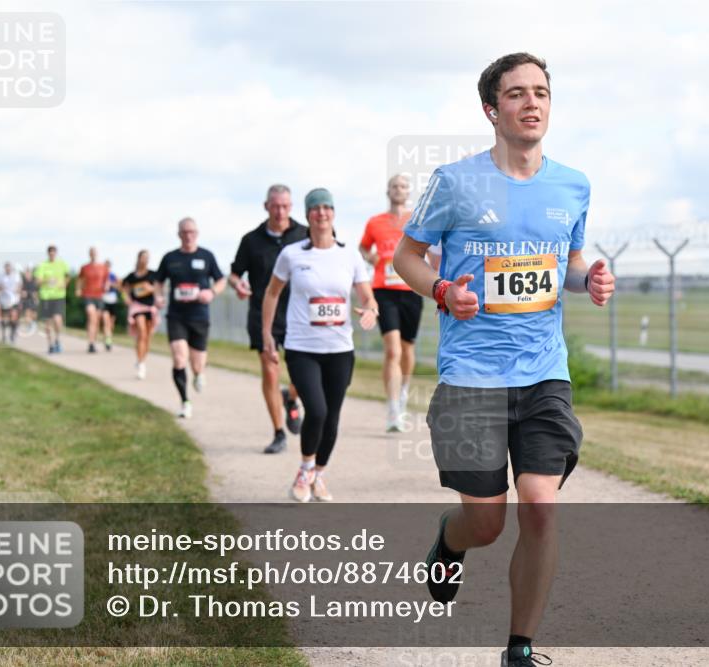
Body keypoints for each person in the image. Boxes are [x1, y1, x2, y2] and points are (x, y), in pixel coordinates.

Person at [393, 53, 615, 667]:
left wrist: (589, 278)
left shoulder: (573, 184)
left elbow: (564, 267)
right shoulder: (455, 181)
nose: (531, 102)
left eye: (540, 91)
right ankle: (449, 540)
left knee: (541, 504)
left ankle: (520, 647)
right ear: (493, 110)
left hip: (545, 371)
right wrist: (442, 291)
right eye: (516, 94)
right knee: (486, 524)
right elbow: (405, 258)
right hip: (471, 378)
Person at [262, 188, 378, 502]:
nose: (321, 213)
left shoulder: (349, 255)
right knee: (317, 409)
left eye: (327, 207)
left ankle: (318, 475)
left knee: (333, 416)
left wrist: (370, 309)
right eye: (315, 208)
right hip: (302, 348)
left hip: (340, 349)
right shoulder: (292, 254)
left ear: (334, 213)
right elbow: (272, 294)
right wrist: (267, 335)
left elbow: (367, 295)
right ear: (308, 214)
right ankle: (304, 469)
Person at [229, 184, 309, 453]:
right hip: (263, 315)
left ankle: (291, 398)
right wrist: (237, 285)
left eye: (285, 206)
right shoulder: (251, 240)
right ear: (266, 206)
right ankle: (278, 433)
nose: (280, 211)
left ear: (292, 206)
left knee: (300, 372)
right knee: (270, 370)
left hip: (298, 314)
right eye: (275, 206)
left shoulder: (304, 235)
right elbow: (234, 273)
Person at [359, 174, 425, 431]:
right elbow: (363, 247)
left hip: (411, 289)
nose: (399, 190)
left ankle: (403, 391)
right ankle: (393, 407)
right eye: (395, 186)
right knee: (393, 351)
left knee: (408, 350)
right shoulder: (375, 222)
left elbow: (430, 250)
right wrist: (372, 258)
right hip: (383, 291)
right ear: (388, 191)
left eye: (404, 186)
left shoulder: (416, 220)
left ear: (408, 192)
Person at [155, 217, 226, 418]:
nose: (188, 235)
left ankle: (199, 374)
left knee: (197, 363)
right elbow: (158, 283)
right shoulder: (170, 258)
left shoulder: (206, 256)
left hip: (199, 315)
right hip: (176, 315)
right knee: (179, 358)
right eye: (184, 232)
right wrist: (158, 297)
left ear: (197, 233)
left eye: (192, 232)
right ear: (179, 234)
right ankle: (185, 401)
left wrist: (211, 292)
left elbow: (221, 280)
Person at [122, 250, 159, 380]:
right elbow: (124, 288)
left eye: (147, 258)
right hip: (137, 307)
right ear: (138, 259)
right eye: (143, 257)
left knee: (147, 337)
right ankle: (140, 362)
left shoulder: (153, 274)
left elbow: (160, 288)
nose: (145, 260)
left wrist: (151, 289)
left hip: (150, 307)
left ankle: (142, 360)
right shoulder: (132, 276)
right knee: (141, 332)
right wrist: (126, 298)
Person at [34, 245, 71, 354]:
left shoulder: (61, 264)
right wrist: (47, 281)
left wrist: (64, 284)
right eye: (50, 253)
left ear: (56, 253)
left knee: (58, 319)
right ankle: (50, 345)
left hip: (58, 296)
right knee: (48, 322)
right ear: (48, 254)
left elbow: (68, 276)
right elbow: (38, 281)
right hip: (46, 297)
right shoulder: (42, 265)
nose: (52, 254)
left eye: (53, 252)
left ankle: (57, 340)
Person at [76, 247, 111, 353]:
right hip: (88, 295)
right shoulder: (84, 267)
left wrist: (107, 286)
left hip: (99, 296)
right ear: (89, 254)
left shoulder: (103, 267)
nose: (93, 254)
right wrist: (78, 289)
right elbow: (80, 280)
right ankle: (91, 343)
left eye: (95, 253)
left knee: (96, 321)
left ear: (97, 254)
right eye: (91, 253)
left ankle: (94, 342)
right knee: (92, 317)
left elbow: (107, 280)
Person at [0, 262, 23, 343]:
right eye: (6, 268)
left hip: (14, 300)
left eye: (9, 268)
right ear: (4, 269)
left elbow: (20, 286)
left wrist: (18, 290)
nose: (8, 269)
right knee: (4, 319)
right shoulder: (0, 277)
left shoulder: (16, 276)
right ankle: (3, 335)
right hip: (4, 300)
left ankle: (12, 335)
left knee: (13, 317)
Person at [102, 260, 121, 351]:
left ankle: (108, 337)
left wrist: (111, 284)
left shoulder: (113, 276)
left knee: (111, 324)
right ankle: (108, 341)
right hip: (104, 300)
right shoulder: (100, 276)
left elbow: (120, 286)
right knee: (106, 322)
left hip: (113, 300)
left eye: (108, 266)